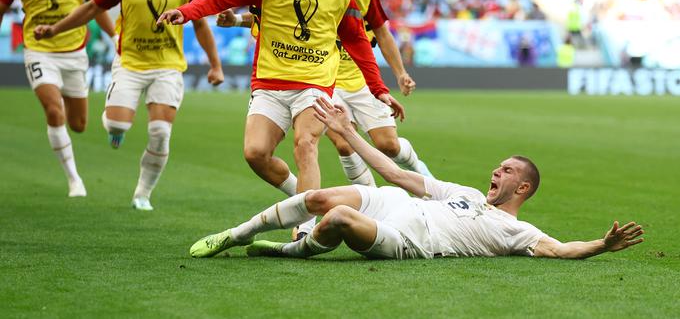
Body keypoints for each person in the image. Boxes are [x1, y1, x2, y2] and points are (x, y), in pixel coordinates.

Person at [157, 0, 403, 235]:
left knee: (306, 143)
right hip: (270, 83)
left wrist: (378, 88)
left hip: (314, 83)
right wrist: (188, 12)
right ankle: (303, 197)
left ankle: (305, 226)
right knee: (256, 154)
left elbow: (357, 40)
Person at [188, 97, 644, 261]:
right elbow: (392, 172)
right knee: (327, 196)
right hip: (395, 206)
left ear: (522, 188)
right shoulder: (464, 193)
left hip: (408, 239)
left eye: (506, 171)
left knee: (342, 217)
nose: (495, 171)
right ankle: (235, 234)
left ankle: (290, 250)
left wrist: (601, 245)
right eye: (498, 165)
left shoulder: (516, 231)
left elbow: (559, 249)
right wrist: (347, 131)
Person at [217, 0, 432, 190]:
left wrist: (400, 73)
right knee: (342, 141)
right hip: (320, 77)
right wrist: (236, 20)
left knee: (387, 145)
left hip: (357, 77)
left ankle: (415, 165)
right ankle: (367, 201)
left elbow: (380, 30)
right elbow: (275, 18)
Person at [35, 0, 224, 210]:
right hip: (130, 64)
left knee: (160, 133)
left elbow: (200, 25)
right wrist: (55, 29)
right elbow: (92, 9)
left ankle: (142, 194)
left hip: (168, 66)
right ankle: (115, 130)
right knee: (117, 123)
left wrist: (215, 65)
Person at [0, 0, 115, 197]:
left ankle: (62, 116)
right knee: (53, 109)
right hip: (39, 50)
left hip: (74, 51)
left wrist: (115, 37)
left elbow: (96, 4)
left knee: (78, 124)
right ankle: (74, 179)